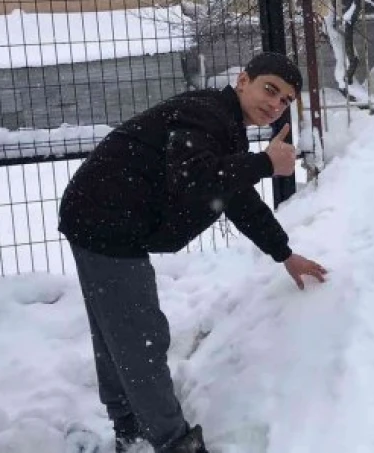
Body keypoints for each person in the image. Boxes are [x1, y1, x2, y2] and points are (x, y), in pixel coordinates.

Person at [58, 52, 328, 453]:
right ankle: (172, 442)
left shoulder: (222, 123)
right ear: (242, 80)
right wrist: (265, 163)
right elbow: (195, 180)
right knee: (140, 335)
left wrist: (284, 253)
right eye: (269, 89)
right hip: (107, 221)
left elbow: (233, 197)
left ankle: (130, 427)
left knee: (118, 330)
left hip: (101, 216)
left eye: (286, 100)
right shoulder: (204, 115)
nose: (275, 105)